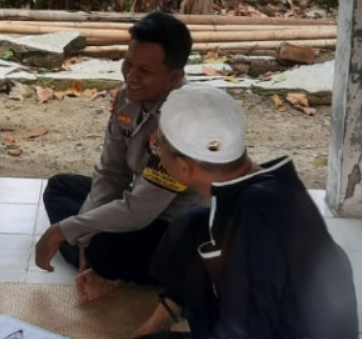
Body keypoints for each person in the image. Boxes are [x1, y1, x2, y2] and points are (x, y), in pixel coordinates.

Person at [132, 84, 358, 339]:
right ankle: (164, 317)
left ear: (185, 167)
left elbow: (248, 330)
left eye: (157, 146)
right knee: (193, 224)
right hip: (284, 322)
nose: (156, 154)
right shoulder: (272, 186)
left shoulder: (252, 225)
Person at [36, 11, 204, 301]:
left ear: (175, 76)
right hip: (138, 204)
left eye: (145, 71)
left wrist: (64, 231)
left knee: (103, 248)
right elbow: (112, 173)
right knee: (60, 187)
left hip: (176, 227)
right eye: (128, 63)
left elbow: (139, 211)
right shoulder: (127, 98)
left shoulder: (185, 122)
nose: (131, 76)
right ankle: (95, 261)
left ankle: (106, 269)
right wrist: (85, 234)